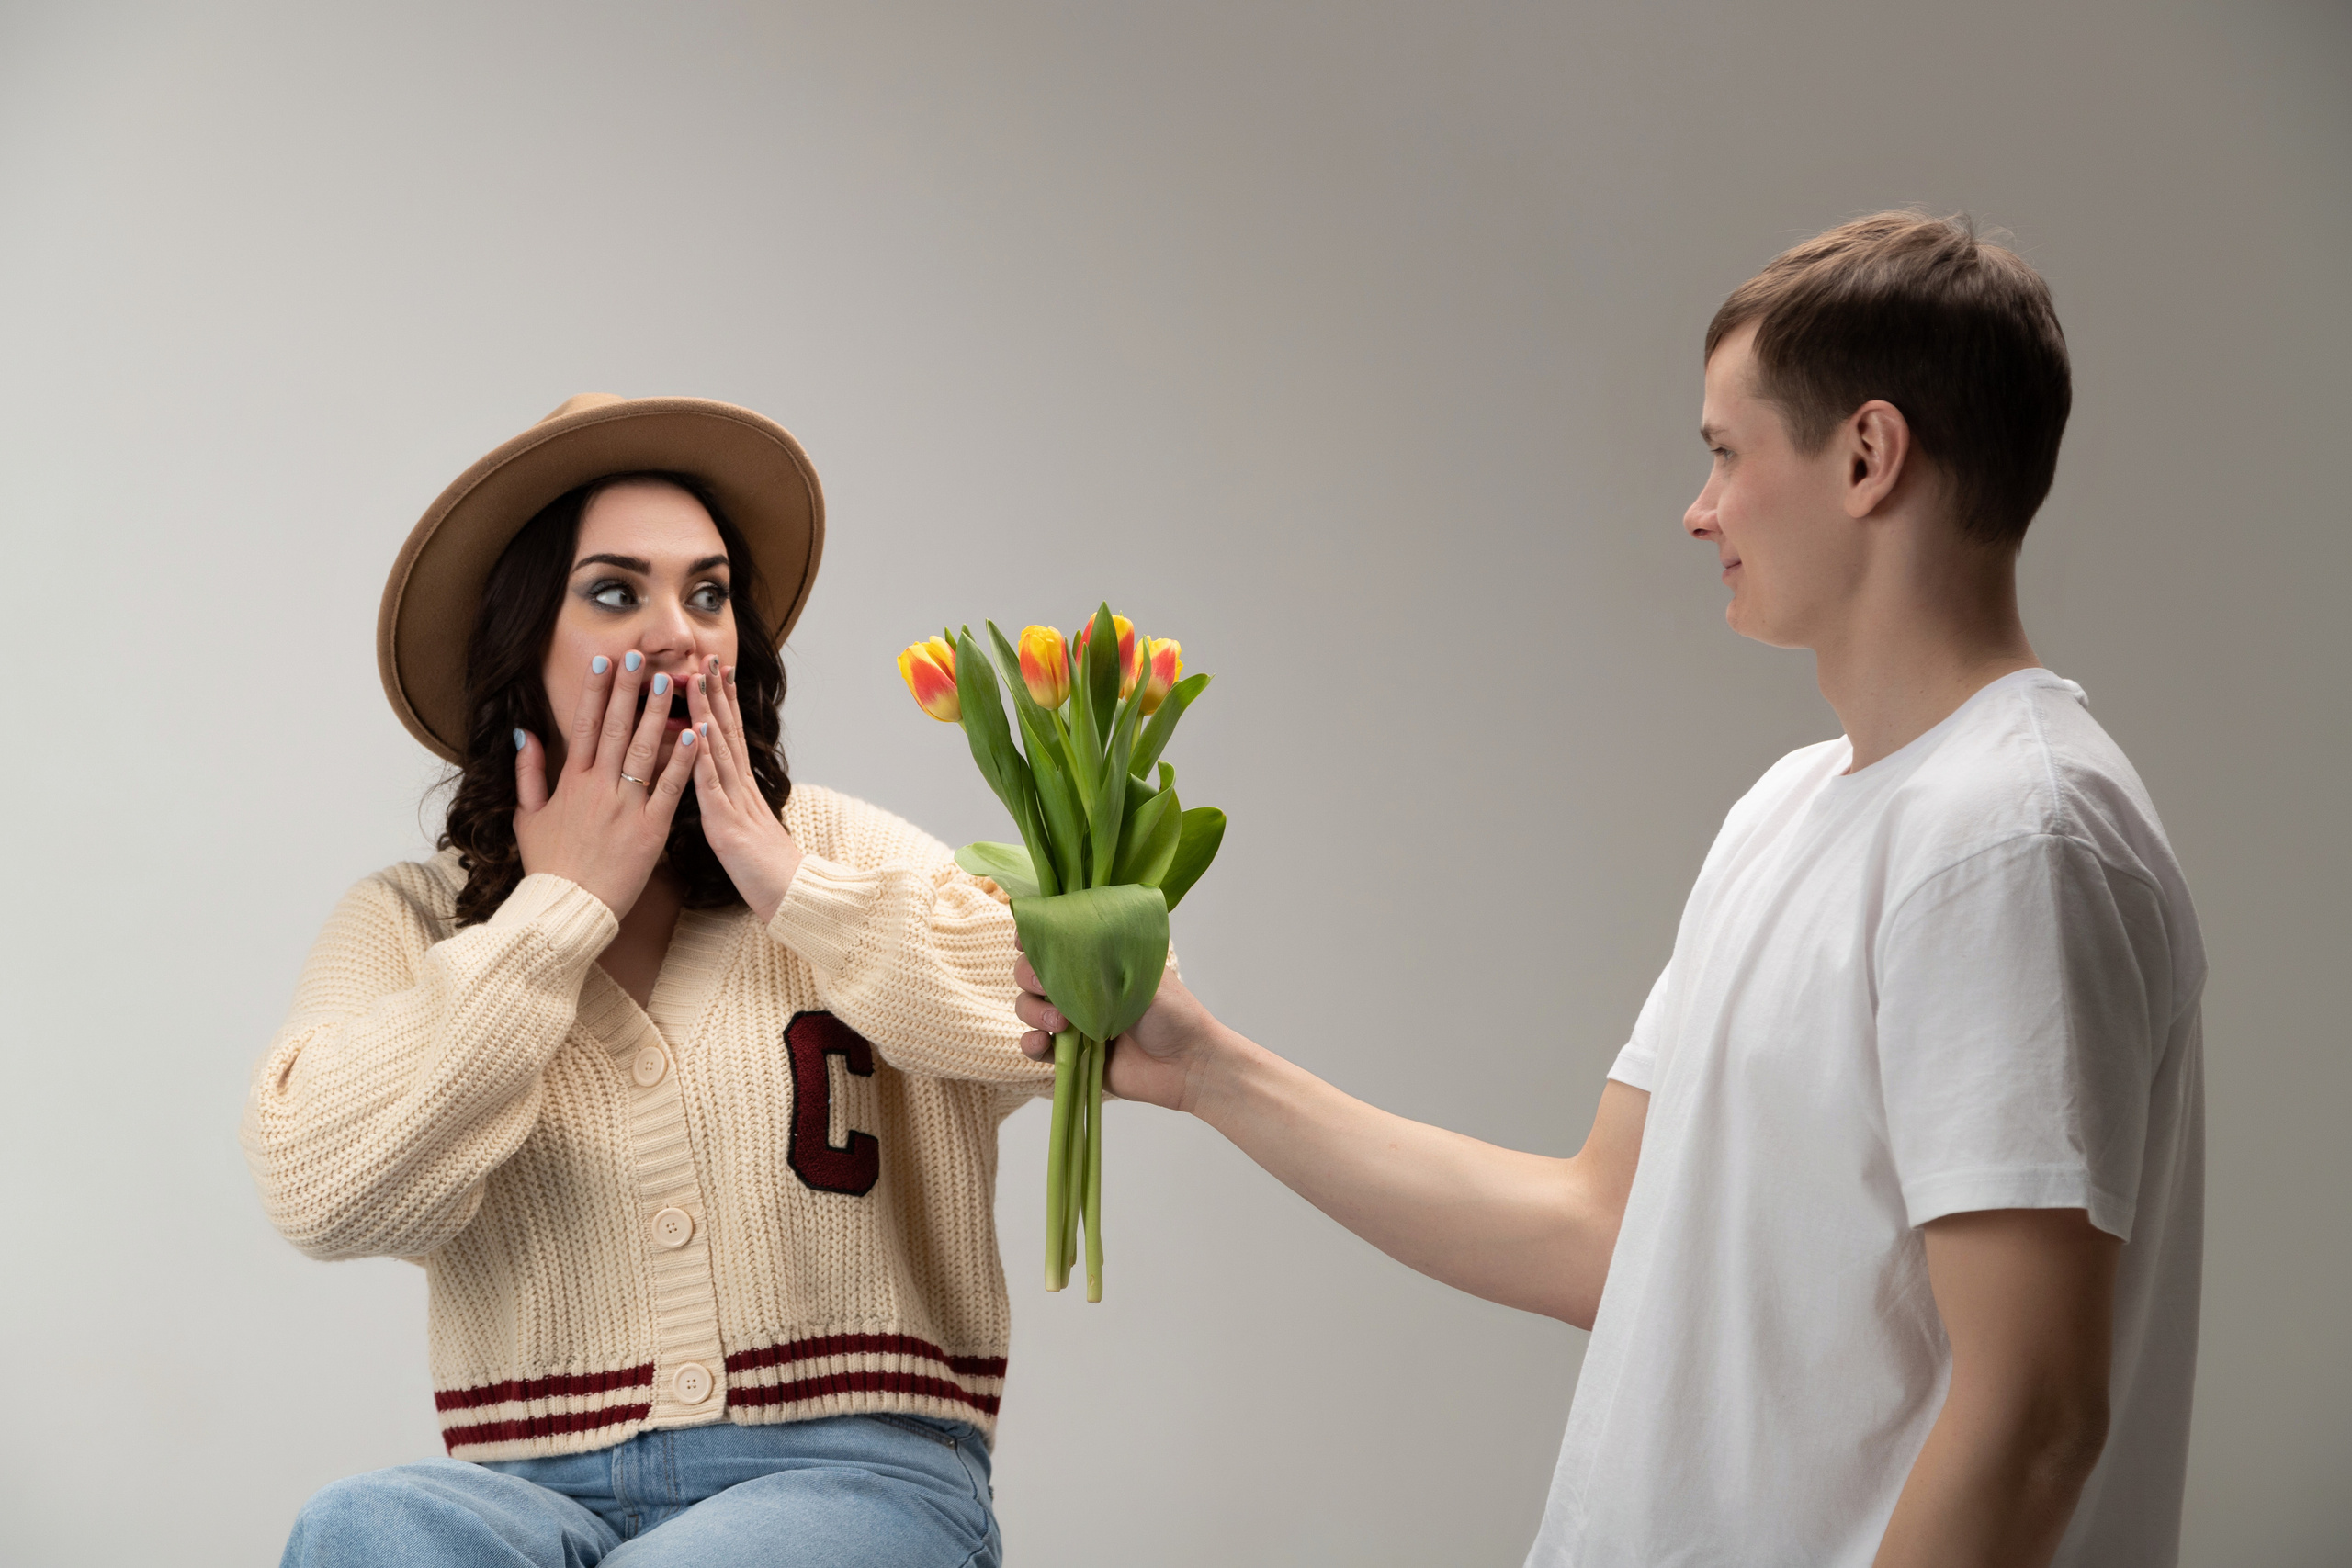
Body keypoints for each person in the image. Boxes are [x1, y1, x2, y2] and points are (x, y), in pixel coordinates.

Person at [1015, 213, 2204, 1567]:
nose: (1699, 507)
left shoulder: (2010, 834)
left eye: (1724, 451)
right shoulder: (1787, 811)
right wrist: (1210, 1068)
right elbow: (1602, 1233)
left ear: (1868, 456)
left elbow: (2032, 1413)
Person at [243, 394, 1049, 1567]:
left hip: (858, 1483)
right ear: (519, 643)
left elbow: (1105, 1007)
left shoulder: (835, 850)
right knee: (360, 1528)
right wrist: (554, 915)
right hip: (530, 1490)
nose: (680, 631)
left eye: (709, 593)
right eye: (617, 591)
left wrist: (792, 889)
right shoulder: (411, 920)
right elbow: (319, 1186)